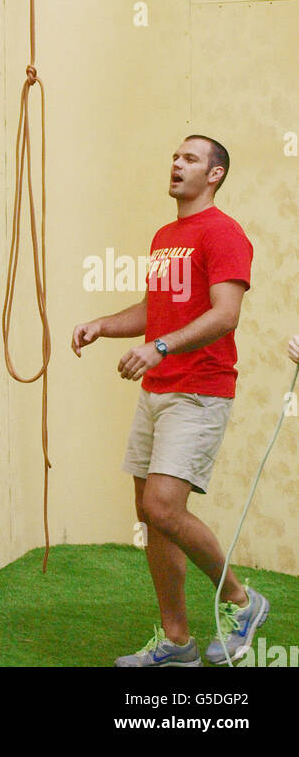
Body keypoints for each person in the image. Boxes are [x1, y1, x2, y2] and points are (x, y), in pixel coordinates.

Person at [71, 135, 270, 667]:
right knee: (149, 513)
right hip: (157, 390)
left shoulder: (224, 233)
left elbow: (225, 314)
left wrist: (159, 348)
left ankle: (240, 601)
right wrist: (103, 325)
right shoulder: (167, 236)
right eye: (174, 157)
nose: (176, 164)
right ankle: (177, 642)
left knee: (163, 506)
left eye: (190, 159)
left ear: (215, 175)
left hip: (200, 390)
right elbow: (155, 309)